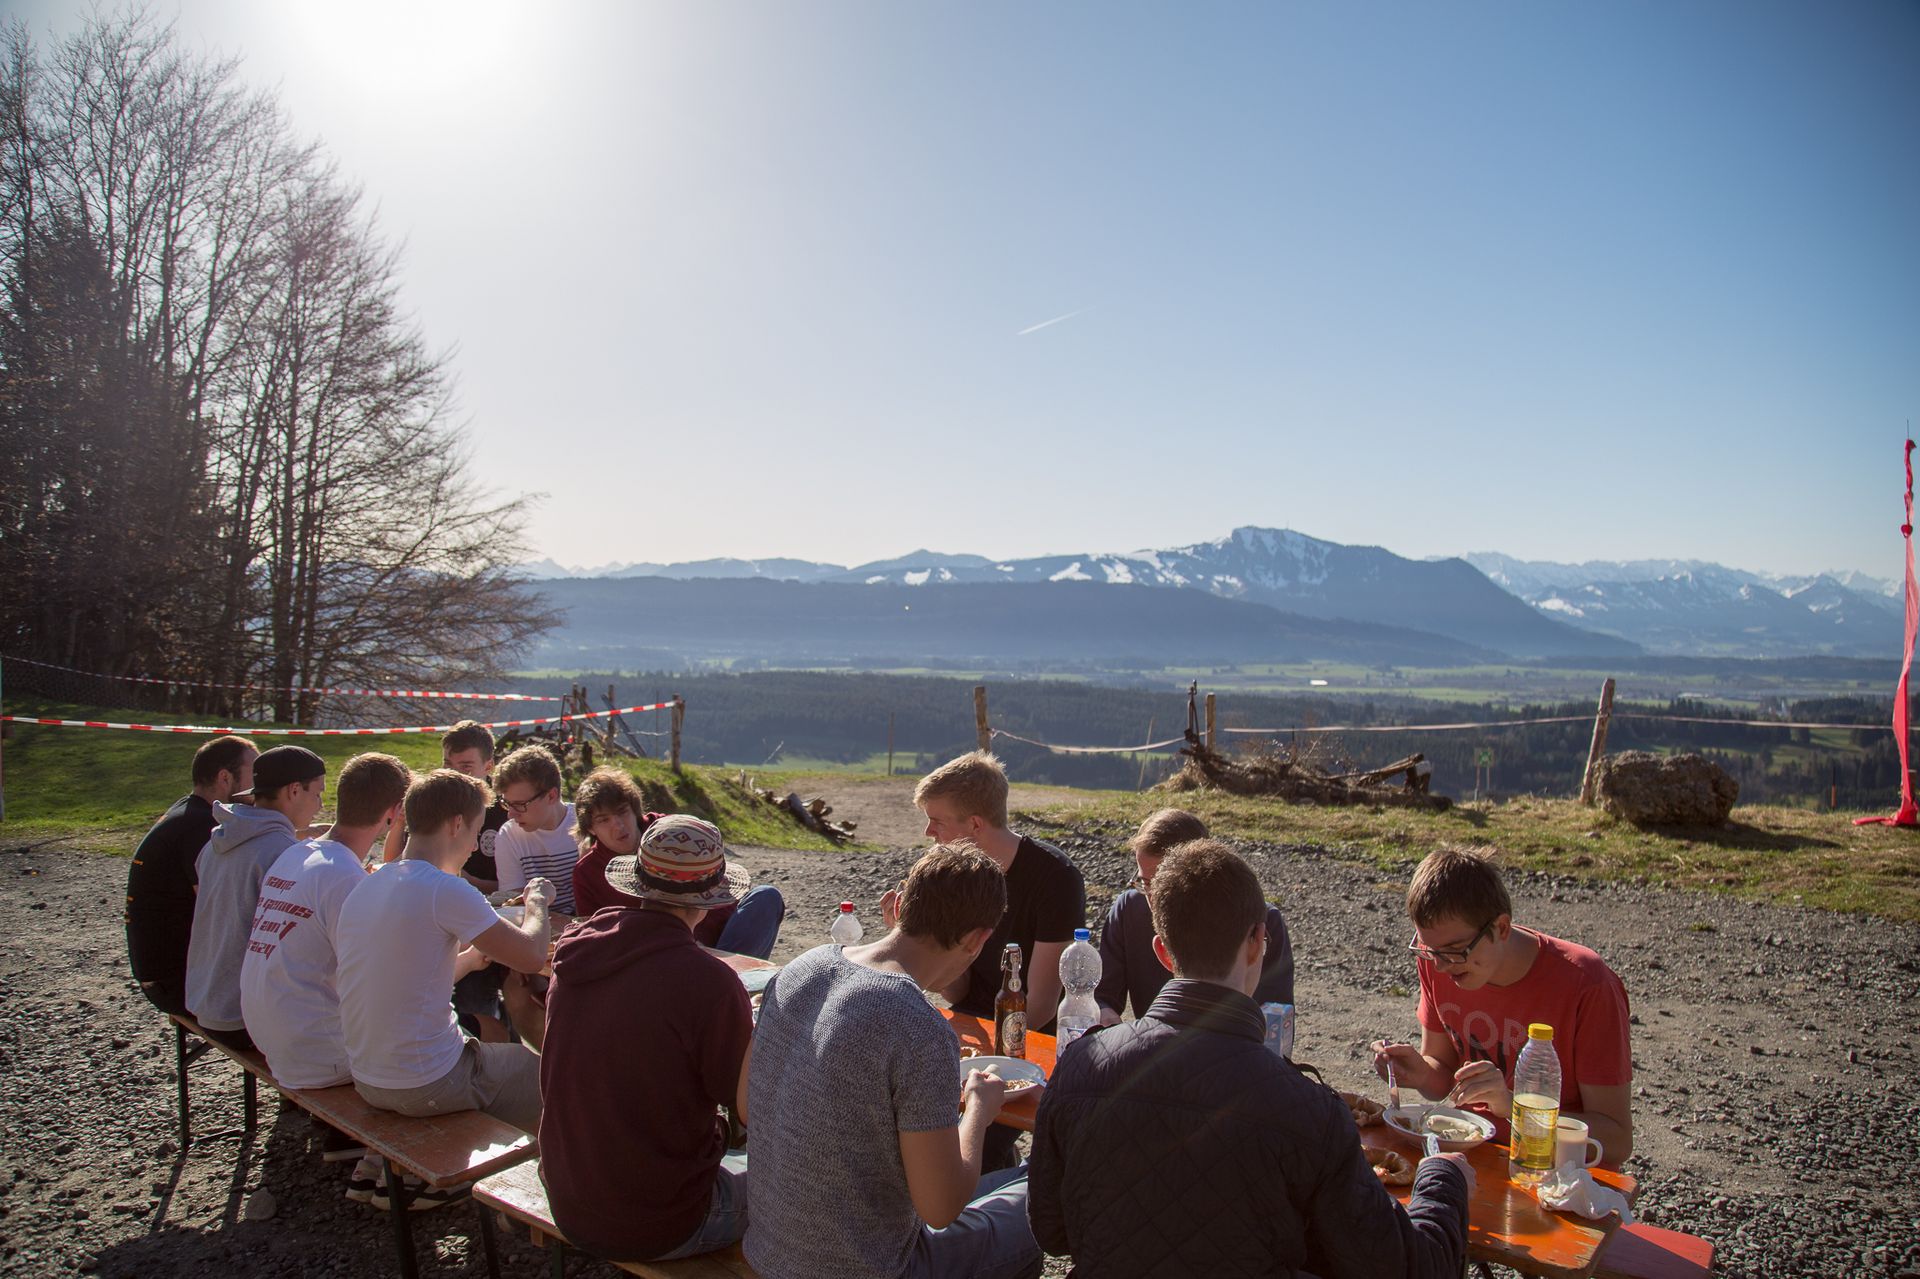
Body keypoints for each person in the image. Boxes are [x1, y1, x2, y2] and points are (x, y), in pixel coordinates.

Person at [1028, 841, 1472, 1279]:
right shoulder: (1309, 1110)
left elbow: (1053, 1232)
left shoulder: (1080, 1065)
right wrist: (1441, 1178)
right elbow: (1409, 1266)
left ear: (1162, 951)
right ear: (1258, 942)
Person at [745, 844, 1042, 1279]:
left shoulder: (801, 968)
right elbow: (940, 1208)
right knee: (1052, 1185)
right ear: (976, 939)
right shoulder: (918, 1027)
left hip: (770, 1251)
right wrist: (979, 1109)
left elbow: (748, 1107)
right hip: (873, 1267)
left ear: (900, 905)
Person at [539, 815, 755, 1263]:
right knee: (801, 1181)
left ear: (637, 885)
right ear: (710, 900)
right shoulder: (709, 983)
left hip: (568, 1198)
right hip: (662, 1219)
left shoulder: (578, 950)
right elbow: (748, 1106)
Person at [1372, 847, 1633, 1167]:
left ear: (1502, 928)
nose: (1440, 967)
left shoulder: (1587, 984)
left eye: (1454, 951)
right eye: (1429, 949)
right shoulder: (1442, 962)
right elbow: (1443, 1076)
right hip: (1468, 1156)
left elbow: (1617, 1141)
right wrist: (1422, 1073)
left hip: (1553, 1170)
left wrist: (1512, 1108)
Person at [335, 769, 554, 1140]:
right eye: (474, 832)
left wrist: (469, 960)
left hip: (366, 1076)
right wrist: (537, 901)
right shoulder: (445, 889)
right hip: (426, 1080)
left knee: (493, 1052)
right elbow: (532, 956)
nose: (472, 846)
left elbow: (404, 979)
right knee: (547, 1075)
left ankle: (382, 1169)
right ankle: (516, 1178)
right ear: (456, 825)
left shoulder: (369, 884)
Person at [239, 752, 411, 1090]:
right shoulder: (345, 879)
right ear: (394, 813)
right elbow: (381, 983)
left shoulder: (298, 853)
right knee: (459, 1039)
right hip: (317, 1052)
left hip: (271, 1036)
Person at [908, 752, 1084, 1032]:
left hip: (1029, 1036)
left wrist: (992, 1055)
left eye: (937, 821)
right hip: (969, 1024)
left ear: (976, 824)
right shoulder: (952, 874)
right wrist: (916, 934)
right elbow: (956, 991)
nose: (928, 832)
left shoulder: (1056, 878)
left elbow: (1041, 1005)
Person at [184, 745, 327, 1052]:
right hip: (243, 1016)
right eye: (316, 793)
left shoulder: (217, 842)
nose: (319, 804)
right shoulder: (280, 852)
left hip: (205, 1001)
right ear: (293, 791)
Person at [1094, 808, 1294, 1025]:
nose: (1153, 896)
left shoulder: (1258, 921)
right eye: (1145, 882)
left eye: (1165, 884)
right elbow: (1101, 995)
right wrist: (1103, 1012)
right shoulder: (1130, 909)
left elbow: (1276, 1020)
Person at [570, 767, 787, 958]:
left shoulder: (668, 833)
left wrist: (699, 940)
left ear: (635, 810)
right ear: (590, 828)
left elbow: (718, 890)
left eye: (622, 812)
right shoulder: (587, 871)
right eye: (603, 820)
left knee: (766, 897)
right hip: (656, 952)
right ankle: (723, 982)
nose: (618, 826)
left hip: (718, 936)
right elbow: (594, 931)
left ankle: (727, 977)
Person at [385, 721, 515, 1041]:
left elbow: (512, 885)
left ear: (489, 767)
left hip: (489, 923)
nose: (455, 775)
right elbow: (394, 862)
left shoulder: (504, 815)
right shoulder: (433, 809)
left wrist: (472, 882)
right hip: (445, 925)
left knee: (491, 993)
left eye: (465, 767)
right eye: (447, 765)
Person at [125, 735, 258, 1015]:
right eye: (254, 774)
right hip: (179, 984)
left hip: (163, 978)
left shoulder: (187, 812)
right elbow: (225, 913)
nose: (259, 787)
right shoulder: (203, 828)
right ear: (225, 777)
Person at [492, 744, 581, 915]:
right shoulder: (508, 835)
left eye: (519, 805)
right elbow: (516, 908)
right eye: (507, 804)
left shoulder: (587, 822)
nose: (511, 814)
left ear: (551, 796)